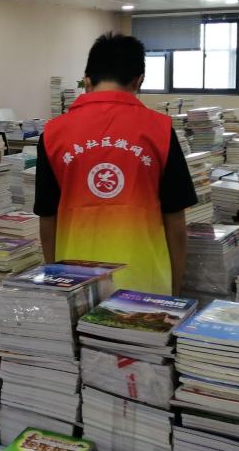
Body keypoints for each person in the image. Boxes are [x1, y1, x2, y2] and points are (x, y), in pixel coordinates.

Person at [33, 33, 197, 295]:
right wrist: (175, 289)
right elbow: (175, 221)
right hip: (146, 283)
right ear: (139, 80)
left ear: (87, 81)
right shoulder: (161, 130)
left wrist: (55, 282)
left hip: (75, 282)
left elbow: (47, 217)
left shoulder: (53, 133)